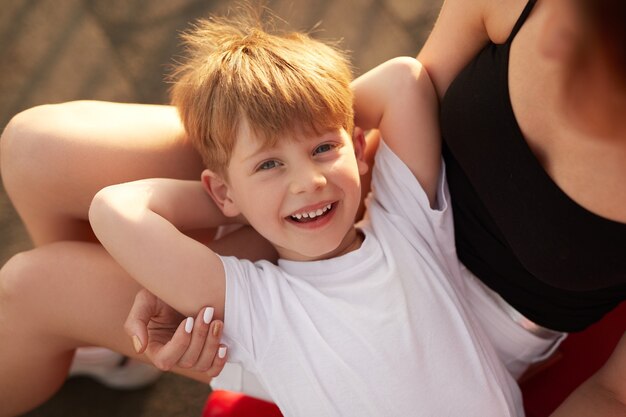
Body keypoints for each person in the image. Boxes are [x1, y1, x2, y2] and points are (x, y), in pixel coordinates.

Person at [0, 0, 624, 414]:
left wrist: (261, 190)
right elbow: (409, 80)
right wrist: (289, 166)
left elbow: (614, 393)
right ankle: (114, 347)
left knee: (28, 288)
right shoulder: (393, 214)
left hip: (456, 307)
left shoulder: (357, 271)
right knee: (34, 149)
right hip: (371, 196)